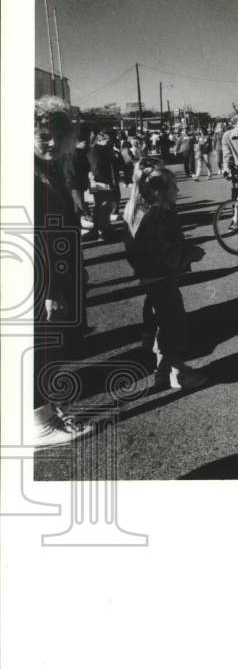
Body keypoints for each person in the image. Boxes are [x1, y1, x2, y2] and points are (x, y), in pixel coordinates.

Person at [31, 96, 93, 447]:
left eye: (57, 135)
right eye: (42, 135)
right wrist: (52, 288)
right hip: (39, 281)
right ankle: (39, 423)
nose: (51, 142)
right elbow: (35, 237)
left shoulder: (48, 169)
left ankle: (49, 411)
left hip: (57, 274)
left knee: (51, 348)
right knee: (38, 348)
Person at [124, 165, 208, 390]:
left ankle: (164, 372)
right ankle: (176, 373)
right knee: (173, 327)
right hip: (161, 278)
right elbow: (166, 253)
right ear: (159, 191)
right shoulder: (159, 216)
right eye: (174, 186)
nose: (178, 190)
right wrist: (191, 254)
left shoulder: (140, 210)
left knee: (162, 325)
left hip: (151, 279)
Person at [87, 130, 118, 241]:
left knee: (103, 206)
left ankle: (103, 228)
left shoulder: (102, 149)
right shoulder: (95, 150)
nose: (110, 143)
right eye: (108, 141)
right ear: (100, 140)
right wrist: (105, 183)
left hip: (103, 181)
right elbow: (96, 169)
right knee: (102, 206)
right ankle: (102, 230)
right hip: (100, 182)